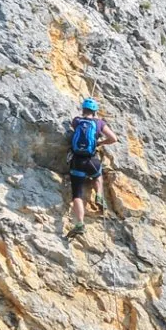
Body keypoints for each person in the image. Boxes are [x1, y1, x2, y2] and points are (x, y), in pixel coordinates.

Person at [66, 97, 117, 237]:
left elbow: (74, 126)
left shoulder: (77, 121)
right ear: (95, 111)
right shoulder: (99, 123)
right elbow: (113, 138)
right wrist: (100, 143)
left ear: (83, 109)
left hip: (77, 162)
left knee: (77, 194)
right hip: (91, 161)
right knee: (97, 175)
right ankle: (99, 196)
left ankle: (80, 224)